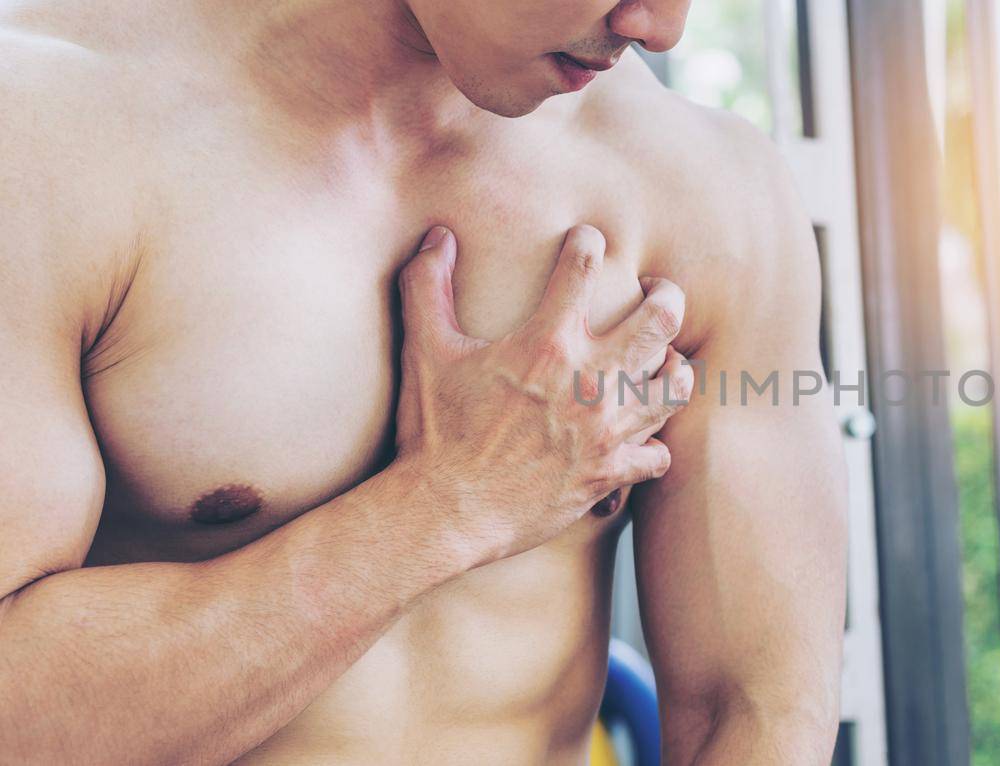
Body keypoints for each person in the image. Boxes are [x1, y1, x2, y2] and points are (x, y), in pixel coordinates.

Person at [0, 0, 848, 763]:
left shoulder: (707, 191)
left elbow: (758, 710)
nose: (661, 26)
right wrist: (449, 506)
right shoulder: (48, 129)